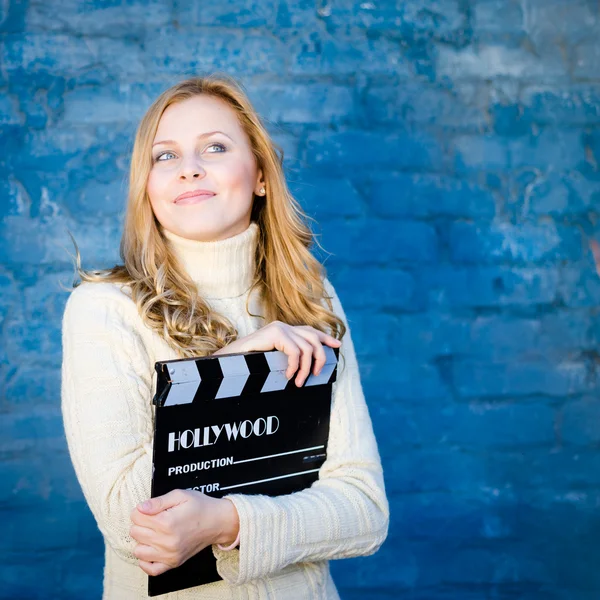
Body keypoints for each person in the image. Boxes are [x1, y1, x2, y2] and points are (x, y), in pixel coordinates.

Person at [61, 73, 389, 600]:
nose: (189, 167)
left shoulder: (311, 297)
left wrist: (227, 521)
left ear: (260, 174)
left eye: (215, 147)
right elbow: (130, 526)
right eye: (164, 155)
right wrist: (231, 366)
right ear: (146, 185)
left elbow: (363, 512)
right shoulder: (104, 310)